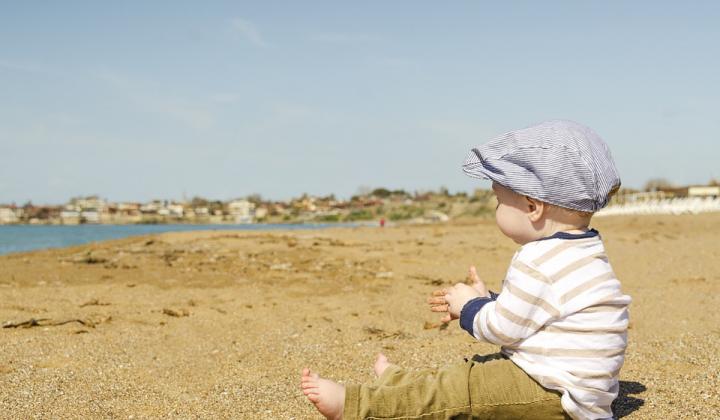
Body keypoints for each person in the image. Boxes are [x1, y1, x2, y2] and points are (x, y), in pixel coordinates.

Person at [301, 120, 631, 420]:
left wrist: (468, 308)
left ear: (532, 207)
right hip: (576, 389)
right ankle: (401, 382)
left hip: (552, 393)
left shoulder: (538, 258)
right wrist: (488, 298)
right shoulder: (584, 249)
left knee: (462, 390)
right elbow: (540, 313)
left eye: (500, 200)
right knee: (473, 372)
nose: (497, 208)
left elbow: (503, 329)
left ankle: (357, 405)